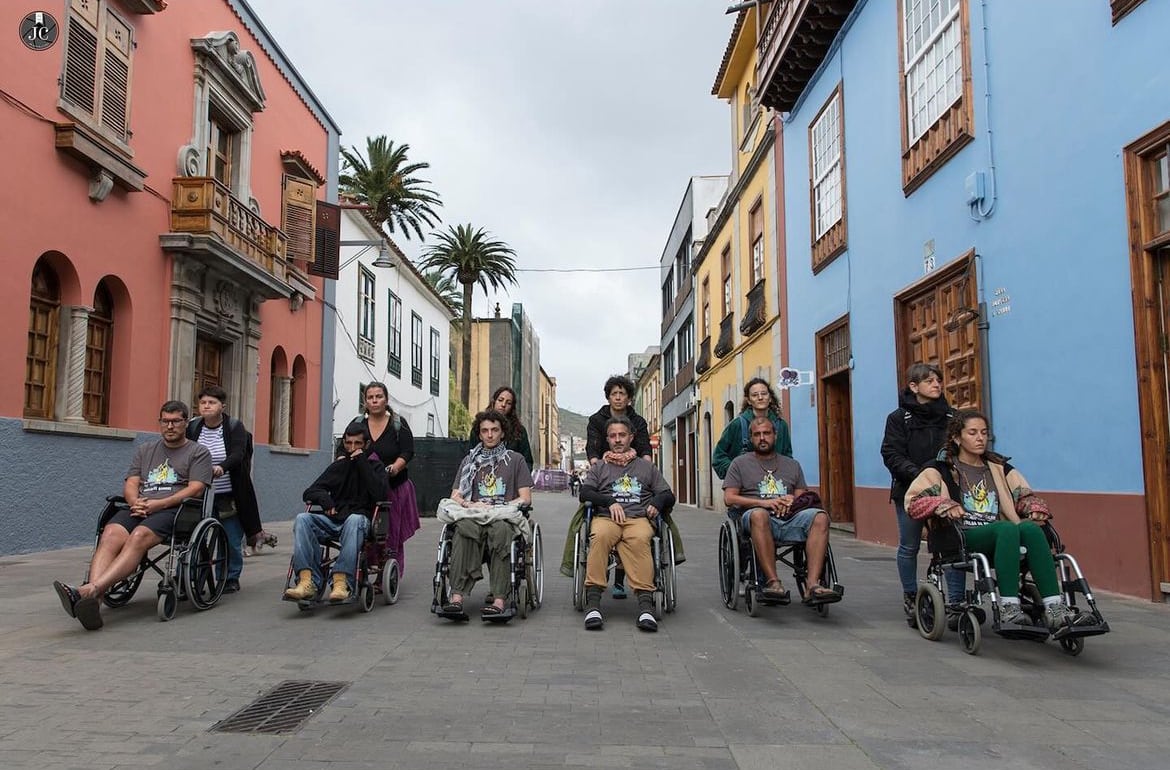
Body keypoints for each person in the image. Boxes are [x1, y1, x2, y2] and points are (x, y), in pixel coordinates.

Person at [905, 409, 1093, 634]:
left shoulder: (999, 467)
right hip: (961, 535)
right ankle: (1009, 608)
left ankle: (1055, 610)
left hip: (1004, 535)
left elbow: (1023, 495)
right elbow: (914, 501)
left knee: (1031, 530)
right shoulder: (939, 468)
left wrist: (1033, 508)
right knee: (1005, 528)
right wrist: (943, 505)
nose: (980, 438)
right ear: (957, 437)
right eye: (973, 433)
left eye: (984, 433)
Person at [53, 401, 213, 631]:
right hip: (141, 506)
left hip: (174, 509)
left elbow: (196, 488)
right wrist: (134, 502)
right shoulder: (145, 450)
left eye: (175, 421)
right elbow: (132, 483)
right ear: (159, 423)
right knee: (111, 533)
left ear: (185, 423)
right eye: (165, 421)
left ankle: (90, 590)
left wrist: (159, 504)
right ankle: (94, 602)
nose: (169, 426)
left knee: (138, 536)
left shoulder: (198, 452)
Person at [723, 416, 841, 605]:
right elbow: (729, 498)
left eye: (767, 433)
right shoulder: (739, 463)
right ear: (751, 439)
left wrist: (791, 501)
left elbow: (802, 496)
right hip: (756, 517)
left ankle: (813, 584)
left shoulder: (792, 465)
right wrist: (765, 503)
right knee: (759, 516)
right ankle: (773, 582)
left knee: (819, 517)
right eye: (757, 434)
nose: (762, 438)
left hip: (790, 517)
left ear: (775, 436)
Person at [879, 363, 964, 625]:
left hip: (947, 491)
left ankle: (957, 601)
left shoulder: (952, 418)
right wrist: (920, 476)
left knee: (953, 543)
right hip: (910, 490)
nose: (937, 385)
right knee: (909, 545)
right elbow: (891, 453)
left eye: (939, 380)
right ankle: (910, 594)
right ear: (914, 387)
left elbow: (960, 451)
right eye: (930, 381)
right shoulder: (898, 418)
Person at [579, 415, 676, 632]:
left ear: (631, 437)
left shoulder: (646, 467)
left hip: (637, 518)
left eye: (622, 435)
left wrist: (657, 502)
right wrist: (608, 501)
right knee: (600, 536)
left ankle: (645, 606)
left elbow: (667, 493)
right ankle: (593, 604)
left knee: (641, 539)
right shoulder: (600, 467)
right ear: (608, 439)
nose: (618, 440)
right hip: (607, 518)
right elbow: (585, 492)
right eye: (613, 436)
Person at [437, 410, 534, 621]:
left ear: (502, 433)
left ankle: (499, 600)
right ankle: (456, 598)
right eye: (485, 431)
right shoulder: (469, 461)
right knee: (463, 531)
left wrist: (500, 506)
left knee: (500, 532)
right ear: (479, 435)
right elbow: (455, 496)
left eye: (494, 430)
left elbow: (525, 498)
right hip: (475, 514)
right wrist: (471, 503)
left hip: (501, 516)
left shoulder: (515, 460)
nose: (489, 435)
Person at [283, 425, 390, 603]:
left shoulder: (376, 467)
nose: (353, 447)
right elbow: (310, 492)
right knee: (303, 519)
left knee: (354, 520)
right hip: (334, 519)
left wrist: (362, 462)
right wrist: (326, 500)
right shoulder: (339, 466)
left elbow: (380, 494)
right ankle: (307, 581)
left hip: (360, 521)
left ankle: (342, 582)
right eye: (349, 443)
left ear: (367, 444)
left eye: (358, 443)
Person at [185, 386, 266, 593]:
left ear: (223, 406)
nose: (206, 406)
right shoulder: (193, 427)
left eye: (211, 402)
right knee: (196, 537)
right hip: (200, 494)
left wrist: (222, 467)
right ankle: (196, 576)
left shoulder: (233, 427)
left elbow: (238, 453)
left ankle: (230, 576)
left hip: (229, 493)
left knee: (229, 537)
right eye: (203, 402)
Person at [585, 375, 652, 598]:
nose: (618, 397)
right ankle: (596, 585)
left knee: (638, 525)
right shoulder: (597, 420)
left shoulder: (638, 422)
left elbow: (644, 449)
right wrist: (600, 470)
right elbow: (593, 447)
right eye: (614, 393)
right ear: (608, 396)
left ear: (629, 398)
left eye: (622, 393)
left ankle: (624, 581)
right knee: (598, 527)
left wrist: (646, 471)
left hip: (633, 467)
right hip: (605, 470)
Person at [347, 382, 421, 572]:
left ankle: (386, 573)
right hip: (366, 490)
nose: (374, 400)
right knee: (367, 531)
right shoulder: (357, 424)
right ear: (365, 401)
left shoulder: (398, 424)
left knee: (390, 532)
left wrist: (395, 467)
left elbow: (408, 451)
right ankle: (362, 569)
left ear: (386, 399)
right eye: (370, 397)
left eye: (378, 396)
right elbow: (344, 448)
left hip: (394, 487)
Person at [712, 377, 793, 479]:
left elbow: (787, 456)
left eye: (764, 394)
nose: (760, 397)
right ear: (749, 401)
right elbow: (718, 456)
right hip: (745, 489)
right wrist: (736, 472)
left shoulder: (781, 426)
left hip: (773, 485)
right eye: (755, 395)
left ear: (770, 398)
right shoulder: (737, 425)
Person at [469, 385, 534, 469]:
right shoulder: (479, 426)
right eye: (500, 400)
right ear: (494, 401)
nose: (503, 405)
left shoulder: (519, 431)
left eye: (508, 403)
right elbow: (471, 456)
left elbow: (527, 462)